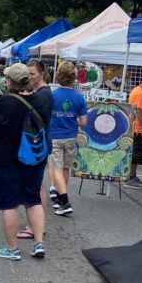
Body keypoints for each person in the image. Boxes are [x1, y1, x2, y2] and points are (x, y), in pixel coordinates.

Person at [0, 62, 53, 260]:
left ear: (10, 81)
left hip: (6, 159)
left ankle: (12, 249)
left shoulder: (3, 102)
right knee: (33, 199)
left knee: (9, 204)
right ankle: (38, 243)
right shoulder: (43, 99)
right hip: (35, 158)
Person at [48, 61, 88, 217]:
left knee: (56, 168)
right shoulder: (79, 98)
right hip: (71, 135)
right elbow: (84, 122)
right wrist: (73, 120)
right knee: (65, 168)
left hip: (54, 136)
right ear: (74, 78)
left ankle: (63, 200)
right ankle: (59, 198)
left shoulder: (52, 96)